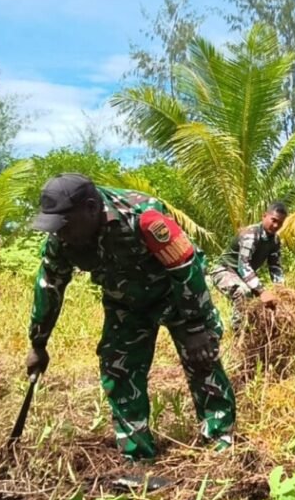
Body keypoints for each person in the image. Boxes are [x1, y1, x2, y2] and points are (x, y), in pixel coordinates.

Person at [23, 173, 236, 463]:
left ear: (90, 207)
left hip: (177, 294)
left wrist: (197, 326)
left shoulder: (143, 216)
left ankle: (220, 443)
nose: (59, 233)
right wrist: (38, 342)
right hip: (126, 303)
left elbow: (186, 268)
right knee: (118, 369)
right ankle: (138, 457)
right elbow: (50, 285)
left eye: (65, 224)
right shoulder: (63, 238)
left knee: (202, 360)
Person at [208, 202, 287, 330]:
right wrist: (262, 291)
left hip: (242, 276)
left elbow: (275, 267)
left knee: (269, 304)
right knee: (243, 292)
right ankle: (239, 335)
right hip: (224, 271)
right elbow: (243, 265)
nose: (276, 225)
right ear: (264, 216)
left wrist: (281, 290)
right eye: (274, 220)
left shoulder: (275, 241)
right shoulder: (250, 234)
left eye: (280, 223)